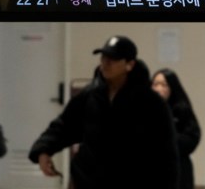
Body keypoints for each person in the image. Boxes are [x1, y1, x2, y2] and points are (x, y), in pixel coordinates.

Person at [29, 36, 179, 188]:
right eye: (103, 57)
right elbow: (65, 125)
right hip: (89, 180)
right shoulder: (90, 94)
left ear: (129, 65)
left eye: (113, 59)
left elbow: (166, 153)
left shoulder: (151, 103)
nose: (105, 63)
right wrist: (43, 150)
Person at [152, 68, 202, 189]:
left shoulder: (181, 109)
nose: (159, 89)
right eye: (155, 84)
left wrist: (168, 142)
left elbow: (192, 137)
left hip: (178, 167)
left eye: (164, 85)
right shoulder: (145, 109)